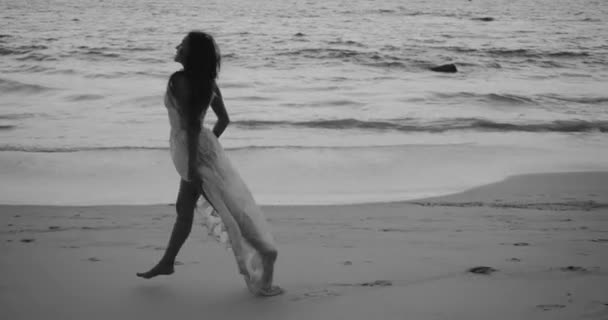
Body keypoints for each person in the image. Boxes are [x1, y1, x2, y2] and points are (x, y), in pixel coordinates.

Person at [137, 31, 282, 297]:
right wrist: (208, 146)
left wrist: (193, 162)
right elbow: (223, 120)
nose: (177, 46)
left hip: (192, 151)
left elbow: (191, 126)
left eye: (183, 45)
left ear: (191, 55)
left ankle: (265, 256)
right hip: (203, 148)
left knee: (227, 213)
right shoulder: (209, 83)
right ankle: (168, 261)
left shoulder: (178, 81)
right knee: (186, 207)